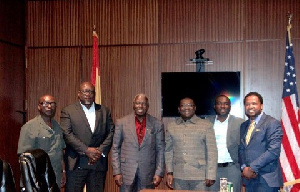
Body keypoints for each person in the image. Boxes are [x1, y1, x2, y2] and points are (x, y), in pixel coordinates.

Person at [60, 82, 115, 192]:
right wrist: (86, 150)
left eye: (91, 92)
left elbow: (111, 132)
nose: (88, 94)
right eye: (85, 91)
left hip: (97, 163)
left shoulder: (104, 111)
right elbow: (67, 133)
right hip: (76, 163)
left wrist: (99, 151)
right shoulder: (68, 111)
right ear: (79, 94)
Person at [111, 93, 165, 192]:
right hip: (126, 172)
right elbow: (115, 148)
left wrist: (159, 172)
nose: (140, 106)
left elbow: (160, 150)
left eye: (143, 104)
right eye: (138, 103)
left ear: (147, 106)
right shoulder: (121, 122)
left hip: (147, 172)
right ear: (133, 105)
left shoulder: (157, 124)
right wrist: (117, 172)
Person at [165, 97, 217, 190]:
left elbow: (212, 151)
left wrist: (211, 174)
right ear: (179, 109)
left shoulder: (206, 125)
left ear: (195, 108)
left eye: (190, 105)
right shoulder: (171, 126)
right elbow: (168, 151)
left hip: (200, 176)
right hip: (179, 175)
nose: (186, 108)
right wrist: (170, 172)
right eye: (183, 105)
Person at [17, 94, 66, 188]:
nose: (49, 106)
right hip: (37, 178)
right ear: (39, 106)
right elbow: (24, 158)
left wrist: (63, 171)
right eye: (45, 103)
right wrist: (31, 181)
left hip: (55, 176)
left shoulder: (58, 127)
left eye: (52, 104)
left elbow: (60, 152)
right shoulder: (29, 127)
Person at [239, 92, 283, 192]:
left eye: (254, 103)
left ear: (261, 106)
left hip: (266, 179)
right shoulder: (244, 126)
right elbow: (241, 149)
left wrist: (252, 168)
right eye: (247, 104)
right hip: (249, 179)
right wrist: (244, 167)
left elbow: (273, 151)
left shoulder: (272, 123)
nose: (250, 106)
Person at [206, 95, 244, 192]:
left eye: (226, 104)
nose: (222, 106)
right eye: (219, 103)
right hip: (212, 170)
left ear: (230, 106)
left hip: (231, 169)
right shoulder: (206, 122)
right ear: (214, 106)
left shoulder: (240, 122)